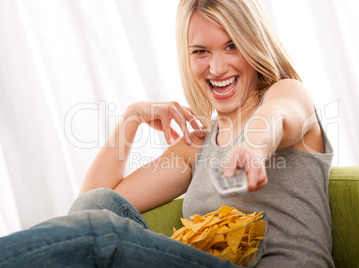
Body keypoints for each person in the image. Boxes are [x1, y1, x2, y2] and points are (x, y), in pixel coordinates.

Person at [0, 0, 335, 267]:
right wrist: (130, 118)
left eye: (232, 46)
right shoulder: (196, 147)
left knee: (101, 232)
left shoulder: (288, 93)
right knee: (98, 206)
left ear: (254, 43)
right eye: (201, 51)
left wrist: (252, 147)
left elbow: (275, 117)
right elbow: (84, 210)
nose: (216, 68)